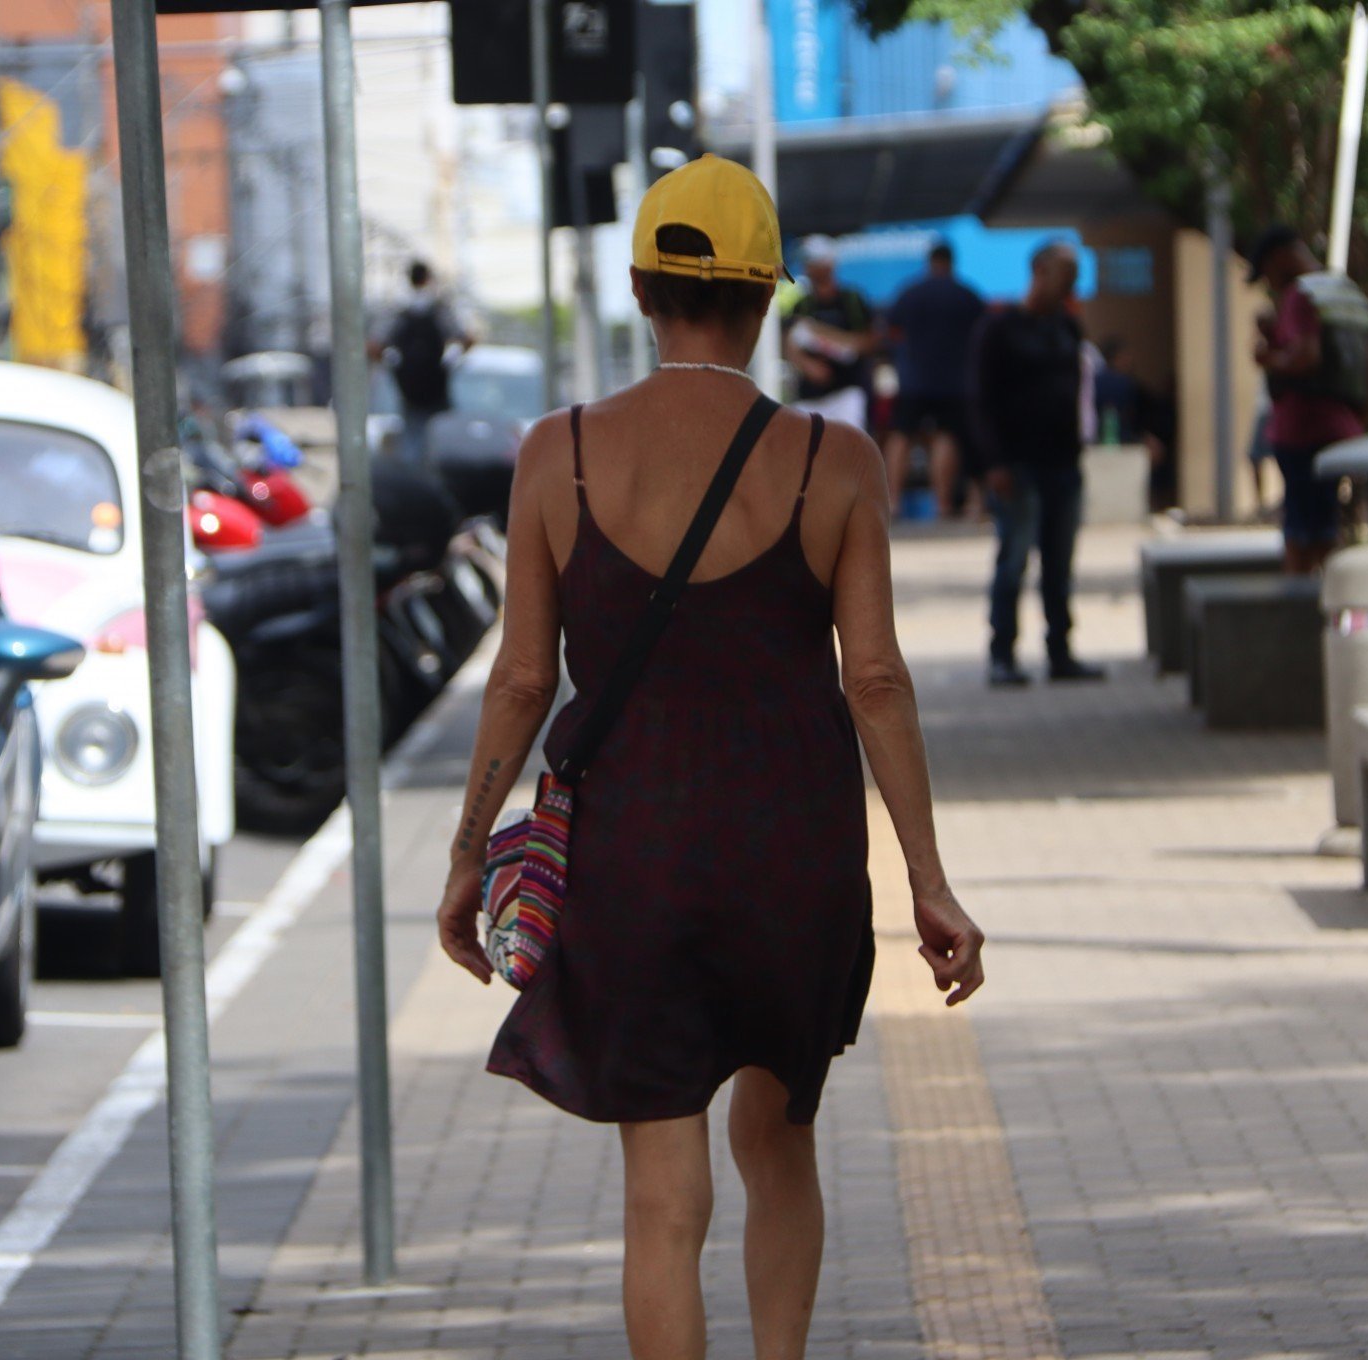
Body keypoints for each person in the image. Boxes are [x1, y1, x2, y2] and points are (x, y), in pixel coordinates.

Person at [434, 153, 983, 1360]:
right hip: (797, 856)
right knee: (776, 1139)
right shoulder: (835, 464)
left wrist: (471, 853)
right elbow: (876, 679)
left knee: (663, 1192)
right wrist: (929, 879)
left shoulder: (555, 455)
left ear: (640, 288)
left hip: (634, 862)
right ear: (770, 296)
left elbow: (524, 679)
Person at [968, 241, 1104, 687]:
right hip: (1018, 465)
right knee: (1014, 560)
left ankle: (1060, 650)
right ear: (1039, 271)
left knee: (1060, 564)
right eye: (1065, 272)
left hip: (1063, 462)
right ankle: (1002, 653)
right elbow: (982, 400)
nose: (1071, 282)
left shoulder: (1068, 326)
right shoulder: (1001, 327)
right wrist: (995, 462)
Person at [1247, 225, 1368, 573]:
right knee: (1326, 526)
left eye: (1267, 273)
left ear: (1280, 258)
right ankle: (1333, 610)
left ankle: (1302, 617)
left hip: (1302, 431)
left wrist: (1268, 357)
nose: (1269, 284)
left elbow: (1307, 357)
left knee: (1301, 534)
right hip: (1340, 427)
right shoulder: (1343, 291)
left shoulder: (1300, 296)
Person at [882, 240, 985, 516]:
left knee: (902, 435)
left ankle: (893, 501)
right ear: (951, 263)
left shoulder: (910, 292)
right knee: (946, 437)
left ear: (930, 262)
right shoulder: (967, 295)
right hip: (954, 381)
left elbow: (890, 332)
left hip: (913, 379)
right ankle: (942, 503)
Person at [376, 259, 471, 463]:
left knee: (412, 442)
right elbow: (465, 338)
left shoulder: (399, 309)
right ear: (428, 279)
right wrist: (451, 361)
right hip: (437, 386)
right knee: (442, 443)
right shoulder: (439, 308)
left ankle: (415, 481)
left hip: (410, 390)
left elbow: (375, 344)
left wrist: (395, 367)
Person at [783, 234, 876, 430]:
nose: (807, 268)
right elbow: (788, 344)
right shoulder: (803, 305)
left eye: (812, 262)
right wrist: (808, 365)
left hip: (847, 392)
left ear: (828, 264)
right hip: (809, 397)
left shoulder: (851, 300)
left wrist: (823, 334)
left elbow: (870, 341)